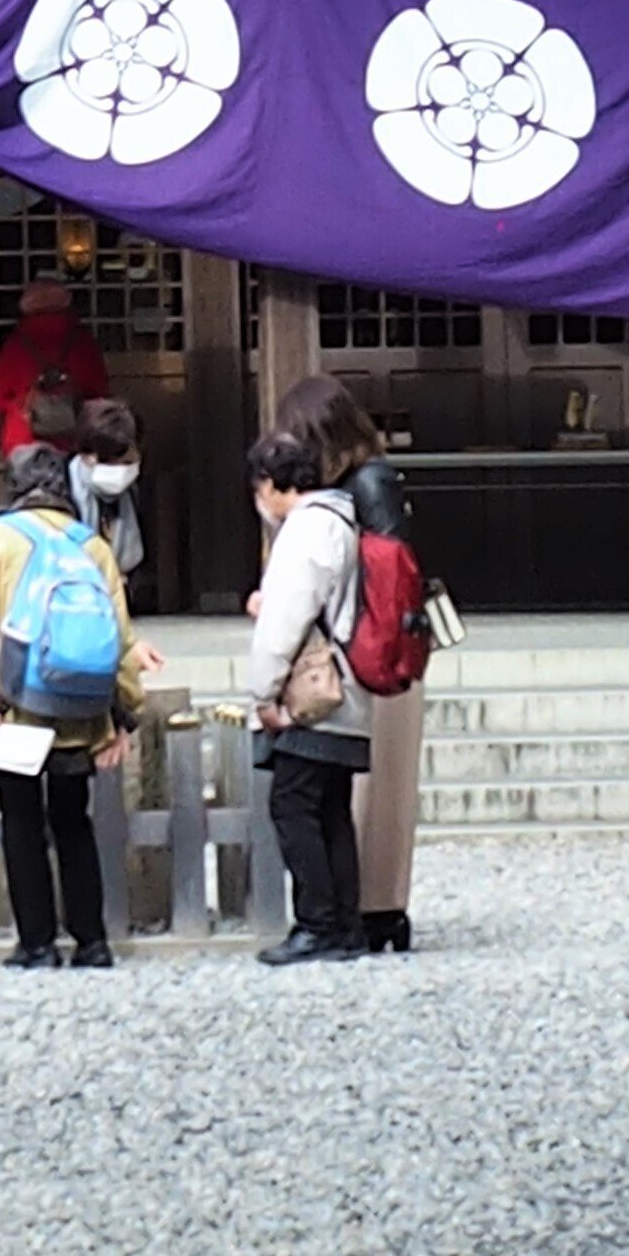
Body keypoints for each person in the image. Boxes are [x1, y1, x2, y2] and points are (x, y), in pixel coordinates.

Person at [0, 435, 145, 970]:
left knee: (21, 819)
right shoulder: (93, 545)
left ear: (13, 488)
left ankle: (36, 942)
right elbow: (121, 635)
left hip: (18, 704)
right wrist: (123, 712)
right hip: (81, 703)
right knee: (72, 819)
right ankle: (92, 940)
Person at [276, 370, 430, 954]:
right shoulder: (373, 478)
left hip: (378, 646)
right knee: (363, 790)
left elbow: (385, 580)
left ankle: (376, 906)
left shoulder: (367, 485)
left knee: (374, 787)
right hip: (385, 643)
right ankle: (368, 907)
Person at [243, 424, 369, 963]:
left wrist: (264, 693)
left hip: (316, 693)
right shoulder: (344, 520)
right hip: (349, 686)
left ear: (272, 483)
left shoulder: (307, 529)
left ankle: (317, 923)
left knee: (293, 805)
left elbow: (287, 620)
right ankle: (345, 924)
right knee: (331, 810)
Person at [0, 274, 109, 448]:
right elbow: (100, 390)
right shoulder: (82, 341)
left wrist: (21, 406)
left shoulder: (17, 345)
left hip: (25, 439)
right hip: (77, 437)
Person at [68, 395, 146, 588]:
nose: (123, 471)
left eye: (129, 463)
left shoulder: (133, 494)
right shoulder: (62, 489)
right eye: (113, 463)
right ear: (88, 456)